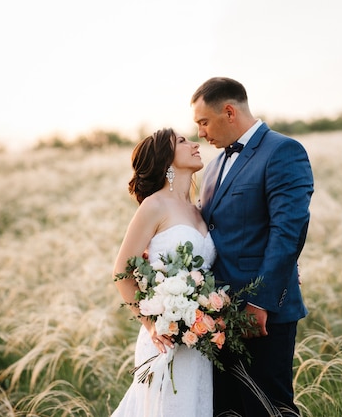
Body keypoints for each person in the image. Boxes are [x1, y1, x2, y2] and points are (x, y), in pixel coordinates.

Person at [192, 77, 314, 416]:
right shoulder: (214, 165)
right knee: (226, 409)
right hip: (216, 317)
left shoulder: (283, 151)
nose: (200, 132)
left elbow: (288, 231)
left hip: (262, 316)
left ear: (229, 111)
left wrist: (261, 302)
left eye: (203, 122)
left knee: (268, 407)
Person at [111, 128, 216, 416]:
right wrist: (150, 324)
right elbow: (122, 270)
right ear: (165, 160)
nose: (195, 143)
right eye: (182, 141)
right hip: (166, 337)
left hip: (199, 338)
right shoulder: (154, 205)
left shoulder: (198, 209)